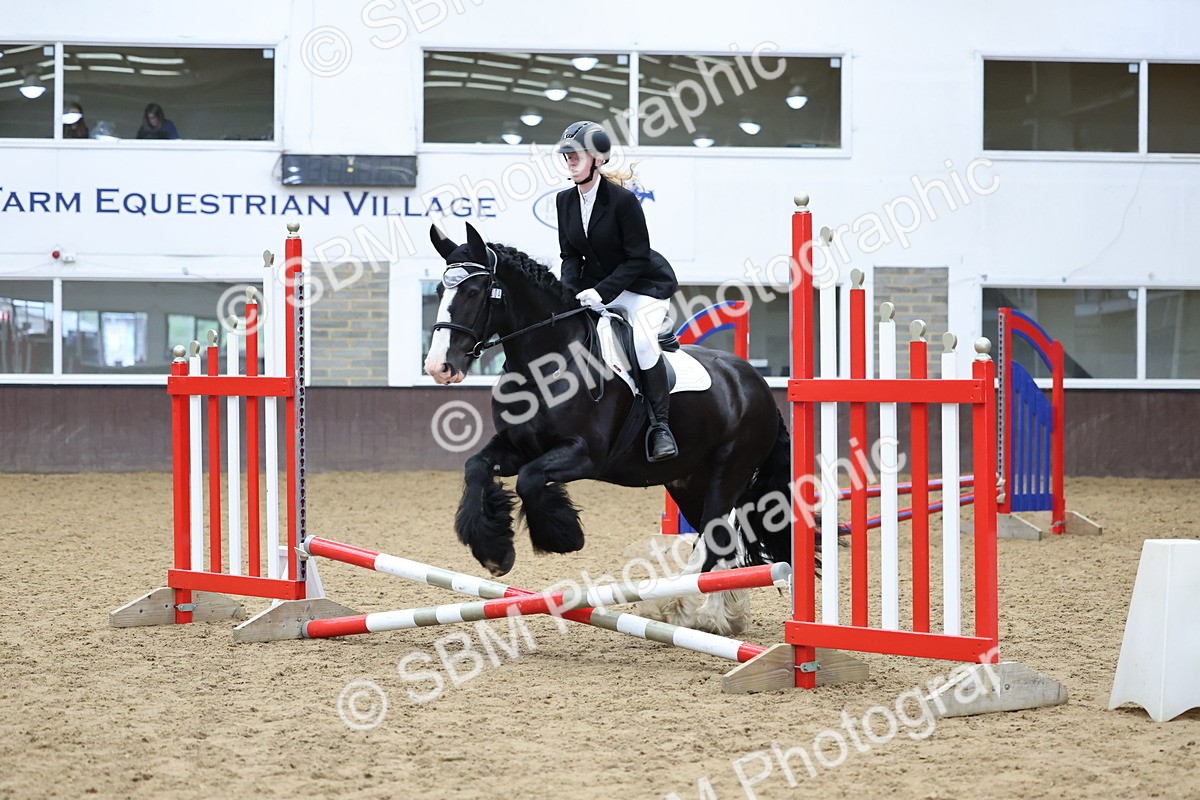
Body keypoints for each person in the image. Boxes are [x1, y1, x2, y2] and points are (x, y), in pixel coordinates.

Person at [555, 120, 680, 462]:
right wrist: (570, 294)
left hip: (644, 287)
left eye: (575, 155)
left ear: (596, 158)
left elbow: (638, 258)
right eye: (566, 156)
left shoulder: (623, 202)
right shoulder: (564, 201)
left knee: (640, 342)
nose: (569, 161)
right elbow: (570, 255)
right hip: (601, 289)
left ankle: (660, 427)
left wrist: (601, 292)